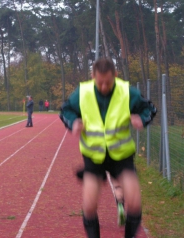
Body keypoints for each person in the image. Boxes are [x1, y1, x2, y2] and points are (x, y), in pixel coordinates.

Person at [59, 58, 156, 238]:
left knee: (134, 203)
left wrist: (141, 119)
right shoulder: (83, 92)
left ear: (115, 76)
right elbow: (65, 110)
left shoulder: (127, 92)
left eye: (108, 82)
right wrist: (73, 122)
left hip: (121, 157)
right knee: (89, 206)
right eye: (100, 82)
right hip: (93, 157)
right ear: (93, 76)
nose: (104, 87)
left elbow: (149, 108)